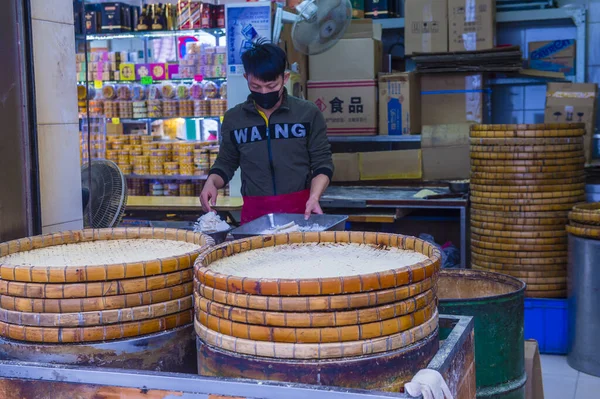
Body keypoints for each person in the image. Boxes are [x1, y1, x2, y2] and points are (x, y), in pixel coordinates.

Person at [200, 41, 333, 224]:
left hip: (301, 211)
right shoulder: (234, 118)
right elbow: (225, 163)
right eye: (255, 87)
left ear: (285, 78)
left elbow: (322, 163)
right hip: (255, 215)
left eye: (271, 87)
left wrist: (315, 197)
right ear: (246, 77)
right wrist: (211, 182)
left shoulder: (307, 113)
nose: (263, 92)